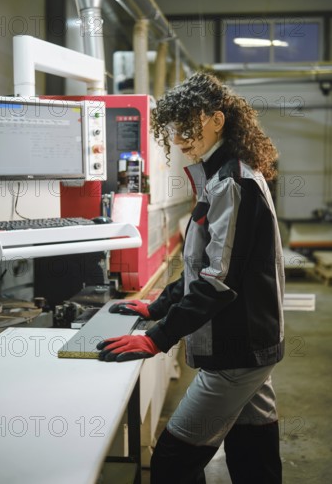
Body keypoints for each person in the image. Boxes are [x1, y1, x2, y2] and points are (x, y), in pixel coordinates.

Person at [97, 72, 285, 484]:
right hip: (251, 342)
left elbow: (217, 281)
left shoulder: (232, 183)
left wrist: (157, 336)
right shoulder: (220, 176)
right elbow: (206, 266)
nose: (180, 139)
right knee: (254, 454)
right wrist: (159, 305)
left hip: (238, 349)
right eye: (175, 129)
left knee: (171, 462)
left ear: (217, 120)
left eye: (188, 126)